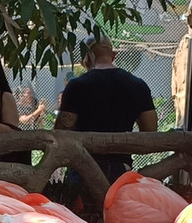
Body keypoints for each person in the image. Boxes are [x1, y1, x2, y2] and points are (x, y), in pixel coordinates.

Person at [54, 35, 157, 183]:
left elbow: (61, 132)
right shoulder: (138, 85)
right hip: (121, 169)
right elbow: (150, 132)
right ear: (113, 55)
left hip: (82, 168)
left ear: (86, 58)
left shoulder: (77, 86)